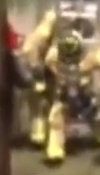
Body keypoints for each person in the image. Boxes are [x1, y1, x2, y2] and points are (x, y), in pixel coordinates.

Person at [41, 30, 100, 164]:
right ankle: (55, 150)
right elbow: (48, 60)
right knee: (56, 121)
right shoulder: (54, 57)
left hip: (84, 95)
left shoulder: (88, 59)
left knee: (95, 116)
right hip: (63, 95)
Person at [14, 9, 59, 146]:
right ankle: (41, 135)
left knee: (38, 106)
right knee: (40, 105)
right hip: (40, 74)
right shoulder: (42, 36)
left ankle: (39, 134)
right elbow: (32, 58)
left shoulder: (37, 36)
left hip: (40, 74)